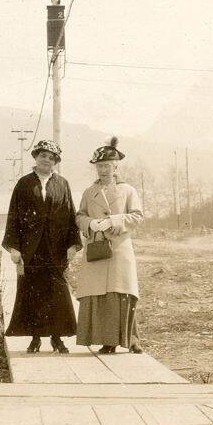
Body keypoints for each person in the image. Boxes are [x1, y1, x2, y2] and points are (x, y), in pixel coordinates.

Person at [1, 140, 82, 354]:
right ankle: (35, 338)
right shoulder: (24, 184)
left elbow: (70, 213)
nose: (47, 159)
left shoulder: (62, 184)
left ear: (56, 161)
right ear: (35, 157)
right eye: (43, 155)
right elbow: (14, 217)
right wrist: (14, 247)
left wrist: (73, 244)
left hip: (56, 248)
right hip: (31, 247)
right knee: (32, 292)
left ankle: (57, 338)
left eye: (51, 156)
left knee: (57, 293)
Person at [75, 136, 145, 354]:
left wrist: (113, 221)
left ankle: (131, 340)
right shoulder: (89, 192)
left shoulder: (128, 191)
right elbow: (79, 216)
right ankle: (107, 340)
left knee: (121, 292)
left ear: (116, 167)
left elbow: (137, 216)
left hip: (119, 248)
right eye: (99, 166)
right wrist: (90, 223)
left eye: (107, 166)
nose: (103, 170)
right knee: (98, 293)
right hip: (97, 247)